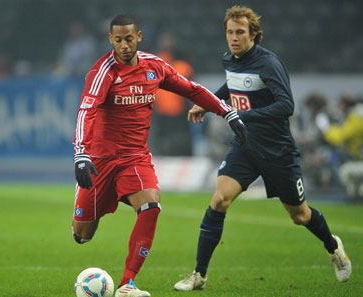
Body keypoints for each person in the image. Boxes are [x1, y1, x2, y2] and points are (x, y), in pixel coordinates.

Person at [174, 6, 351, 291]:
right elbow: (231, 85)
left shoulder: (269, 63)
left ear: (254, 34)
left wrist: (241, 115)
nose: (234, 38)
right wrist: (206, 104)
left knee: (300, 216)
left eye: (240, 32)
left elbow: (286, 105)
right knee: (219, 200)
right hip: (245, 146)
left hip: (278, 151)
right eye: (230, 32)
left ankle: (334, 247)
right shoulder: (229, 59)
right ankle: (199, 275)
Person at [72, 13, 246, 297]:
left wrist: (226, 111)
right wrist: (81, 154)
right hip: (101, 161)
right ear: (111, 40)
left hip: (135, 158)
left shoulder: (154, 67)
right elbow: (86, 111)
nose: (124, 45)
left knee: (151, 206)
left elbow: (192, 89)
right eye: (118, 40)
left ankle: (127, 284)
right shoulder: (103, 72)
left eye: (129, 39)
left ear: (138, 37)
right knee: (82, 235)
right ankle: (86, 206)